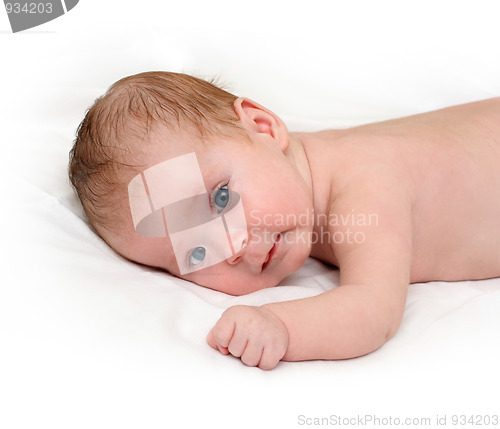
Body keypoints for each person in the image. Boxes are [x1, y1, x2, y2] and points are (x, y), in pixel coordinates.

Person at [69, 71, 500, 370]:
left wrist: (282, 327)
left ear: (263, 126)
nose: (233, 246)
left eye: (221, 198)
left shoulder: (363, 190)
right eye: (196, 253)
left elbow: (374, 310)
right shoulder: (299, 172)